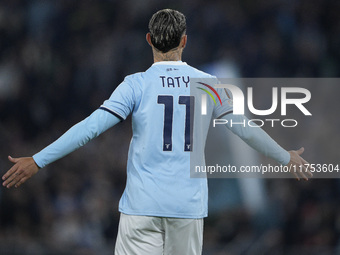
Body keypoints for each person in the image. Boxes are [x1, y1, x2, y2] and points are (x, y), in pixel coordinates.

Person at [2, 9, 312, 255]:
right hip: (187, 206)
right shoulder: (208, 83)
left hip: (142, 206)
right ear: (184, 41)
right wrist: (286, 158)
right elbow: (243, 128)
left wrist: (38, 160)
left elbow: (90, 128)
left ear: (149, 39)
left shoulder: (135, 84)